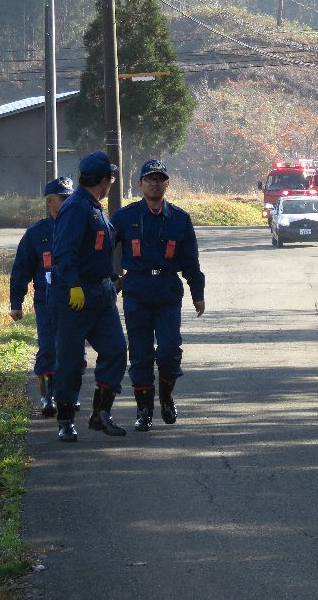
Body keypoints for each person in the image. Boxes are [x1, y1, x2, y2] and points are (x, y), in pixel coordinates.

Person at [111, 159, 205, 432]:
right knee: (140, 355)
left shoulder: (180, 219)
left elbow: (190, 261)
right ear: (140, 184)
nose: (154, 183)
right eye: (149, 179)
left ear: (167, 184)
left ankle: (166, 398)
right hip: (136, 289)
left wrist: (197, 293)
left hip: (167, 291)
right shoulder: (125, 217)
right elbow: (102, 247)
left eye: (160, 179)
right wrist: (110, 277)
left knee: (169, 350)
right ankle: (144, 410)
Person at [50, 151, 129, 442]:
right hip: (75, 297)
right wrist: (73, 284)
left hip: (101, 294)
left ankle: (100, 413)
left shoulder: (95, 207)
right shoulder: (76, 208)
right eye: (110, 178)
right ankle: (65, 419)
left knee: (116, 350)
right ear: (104, 180)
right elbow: (63, 252)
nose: (111, 184)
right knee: (70, 361)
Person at [9, 177, 73, 417]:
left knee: (72, 350)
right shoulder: (36, 233)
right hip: (46, 300)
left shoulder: (81, 226)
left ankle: (69, 394)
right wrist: (16, 303)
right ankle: (48, 396)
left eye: (70, 198)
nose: (67, 202)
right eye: (62, 198)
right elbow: (21, 270)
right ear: (49, 201)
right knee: (48, 347)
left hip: (75, 299)